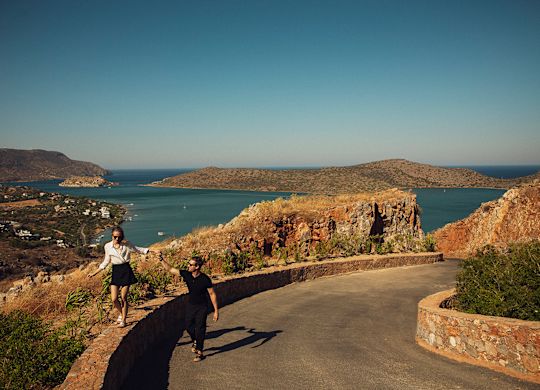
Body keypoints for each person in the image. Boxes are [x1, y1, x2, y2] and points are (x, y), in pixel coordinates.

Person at [88, 226, 156, 327]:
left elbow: (138, 249)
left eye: (119, 237)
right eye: (115, 237)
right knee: (114, 299)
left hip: (126, 270)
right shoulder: (107, 246)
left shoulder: (127, 245)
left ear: (122, 237)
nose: (117, 239)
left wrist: (153, 251)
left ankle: (123, 320)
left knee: (123, 297)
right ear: (112, 236)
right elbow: (106, 261)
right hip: (116, 271)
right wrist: (94, 272)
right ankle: (121, 313)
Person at [158, 254, 219, 362]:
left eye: (190, 264)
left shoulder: (205, 279)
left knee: (200, 328)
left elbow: (212, 294)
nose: (188, 266)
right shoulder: (187, 274)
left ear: (197, 267)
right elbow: (171, 269)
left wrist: (216, 311)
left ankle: (199, 351)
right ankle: (195, 340)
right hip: (191, 305)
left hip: (202, 306)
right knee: (188, 325)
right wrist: (162, 260)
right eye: (188, 264)